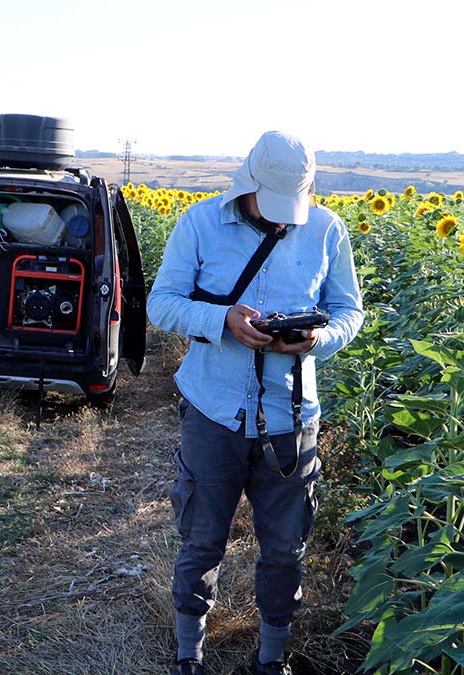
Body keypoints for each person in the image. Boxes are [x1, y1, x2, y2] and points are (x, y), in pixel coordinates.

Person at [147, 131, 363, 674]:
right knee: (201, 539)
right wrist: (221, 319)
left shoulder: (327, 229)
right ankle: (187, 656)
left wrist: (316, 340)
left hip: (293, 417)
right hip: (213, 408)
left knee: (286, 547)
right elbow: (162, 305)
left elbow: (348, 312)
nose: (281, 218)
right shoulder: (199, 223)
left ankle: (271, 659)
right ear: (248, 183)